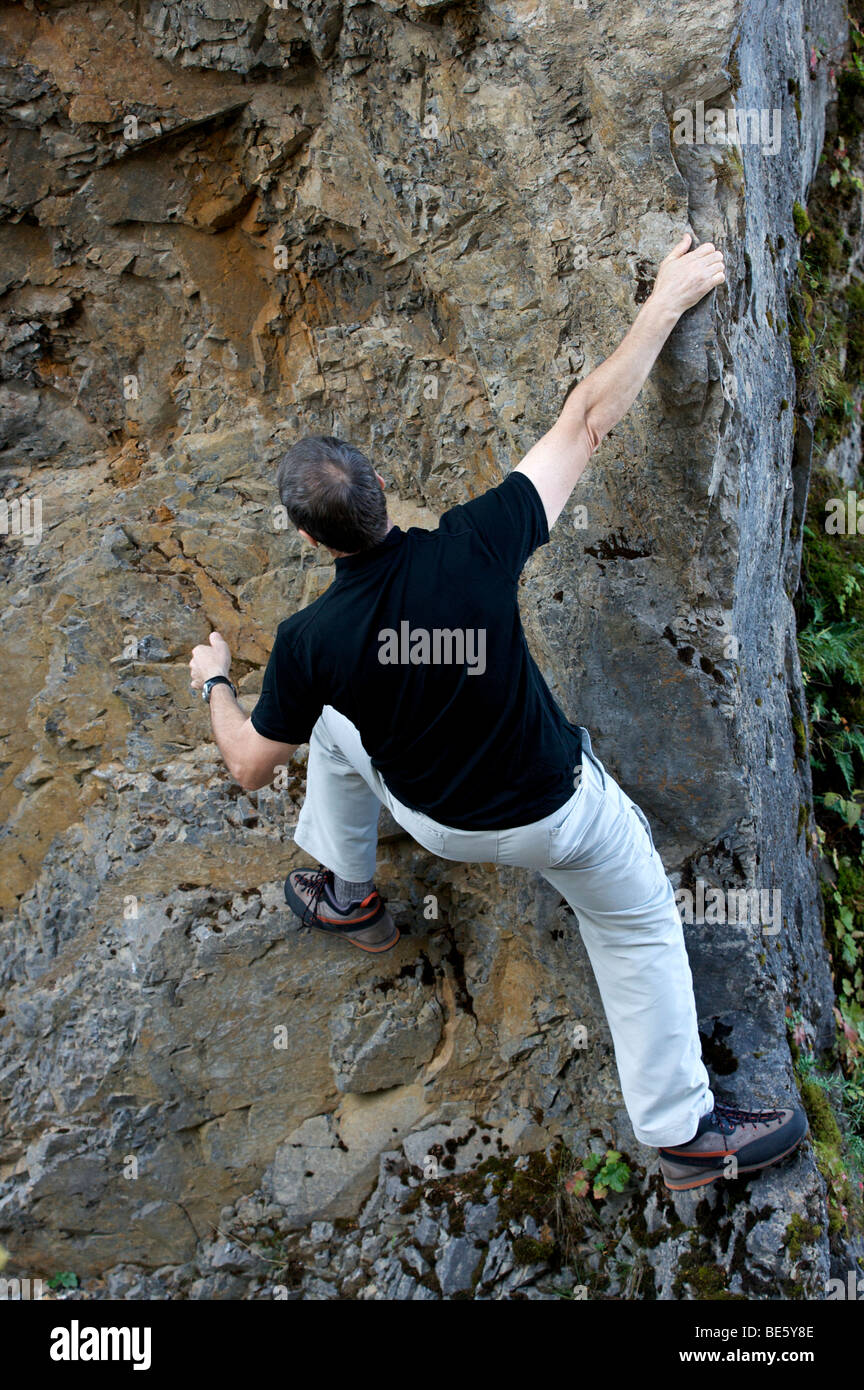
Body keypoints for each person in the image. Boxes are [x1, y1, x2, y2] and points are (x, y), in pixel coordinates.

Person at [189, 232, 808, 1191]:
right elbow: (587, 421)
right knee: (639, 926)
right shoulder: (476, 545)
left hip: (439, 821)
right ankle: (685, 1134)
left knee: (333, 732)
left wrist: (214, 680)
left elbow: (248, 761)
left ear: (311, 539)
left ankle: (349, 893)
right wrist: (665, 300)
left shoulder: (312, 641)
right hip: (556, 815)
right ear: (382, 490)